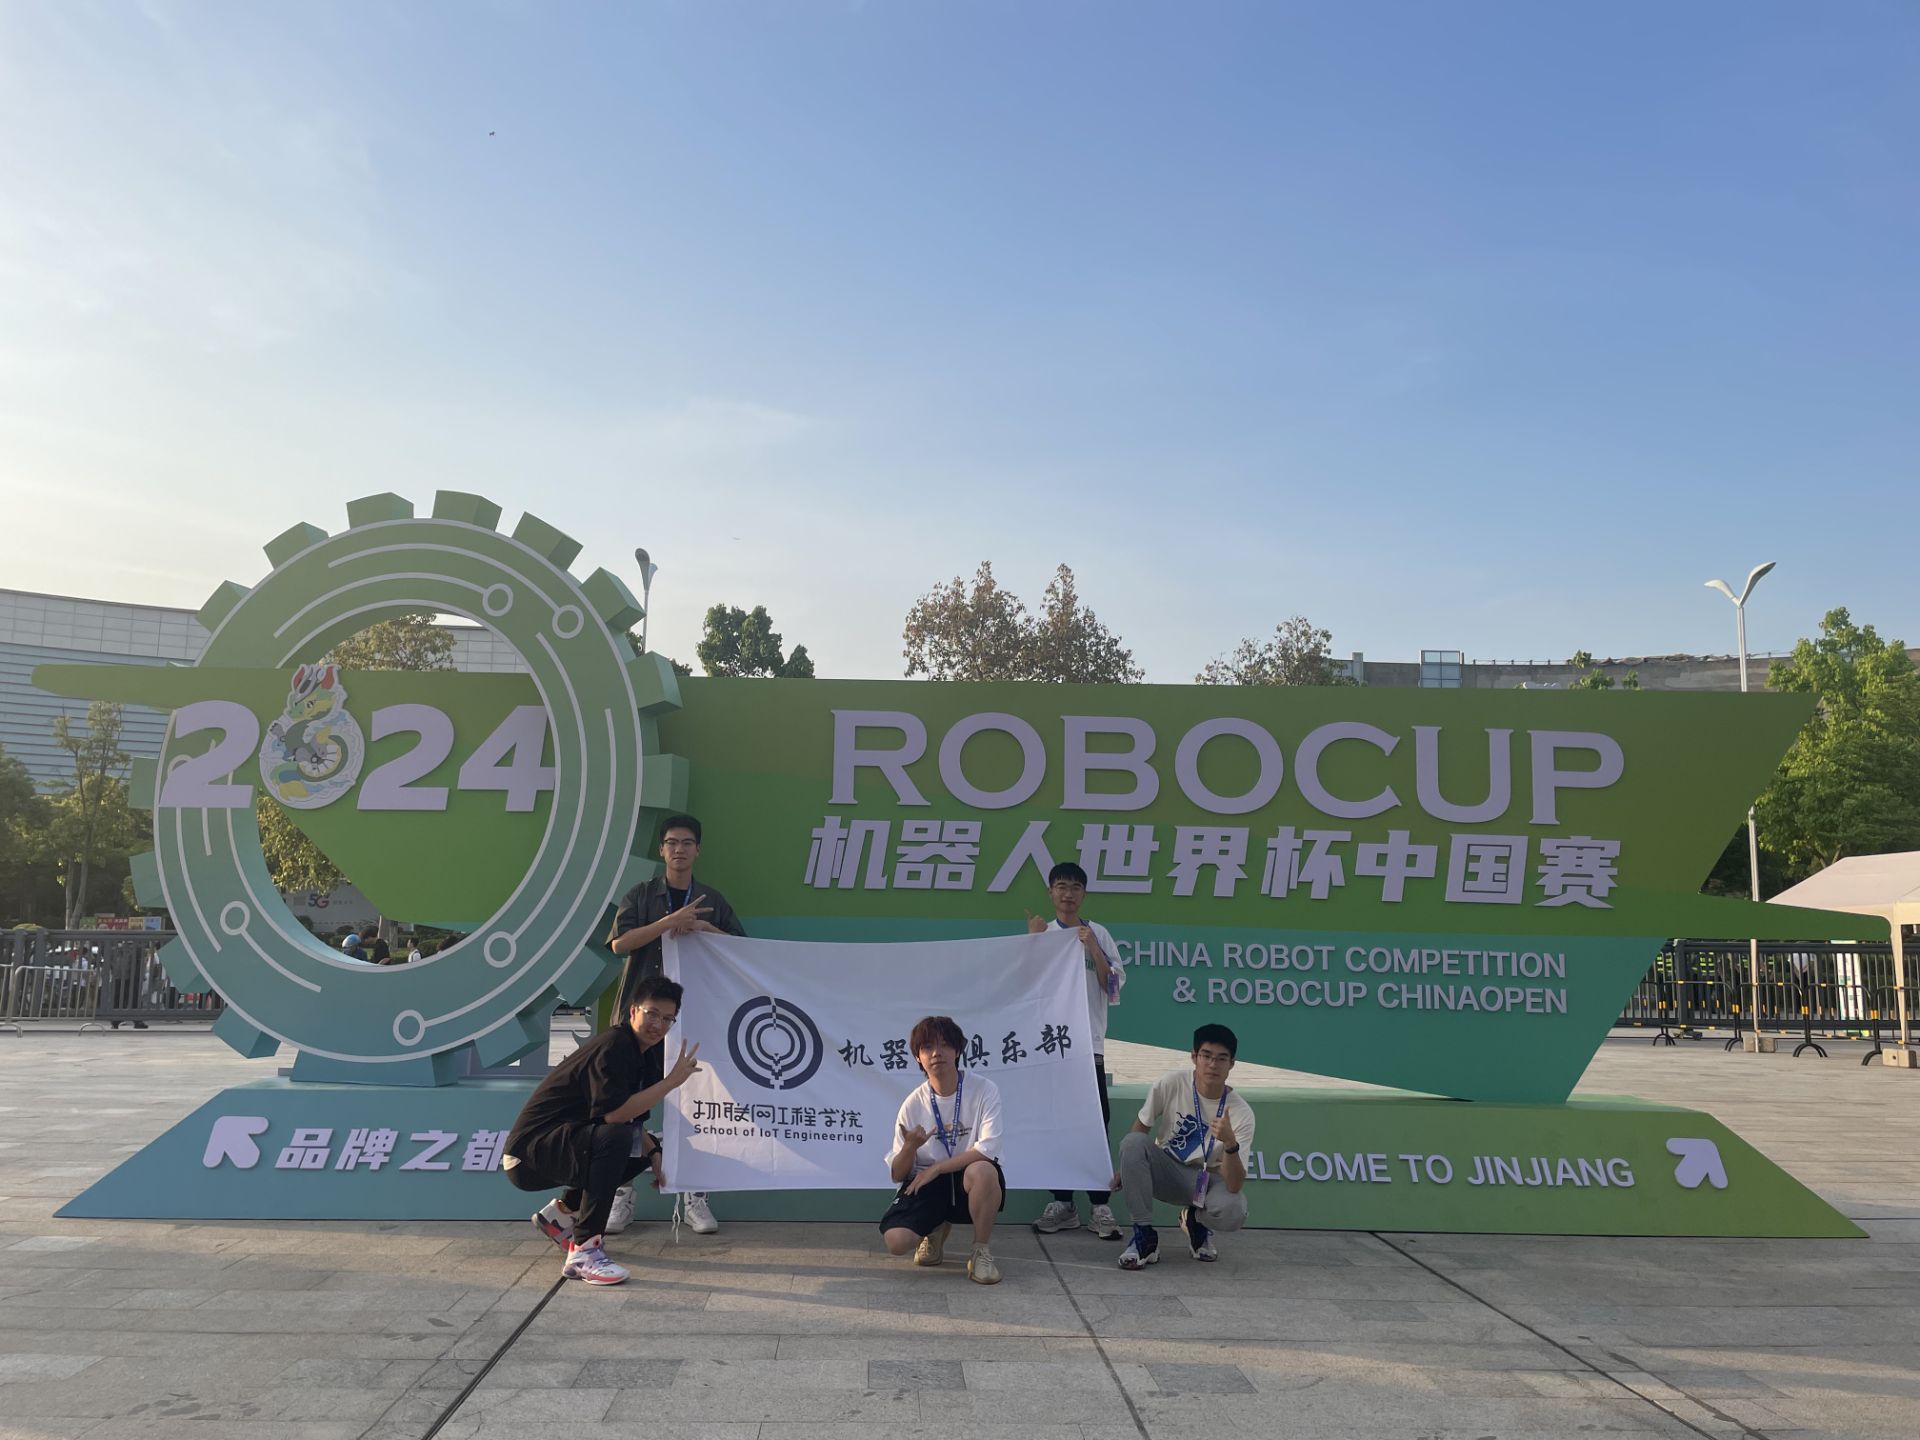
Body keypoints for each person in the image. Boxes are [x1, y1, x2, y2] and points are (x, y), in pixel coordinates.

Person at [502, 975, 701, 1286]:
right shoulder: (614, 1045)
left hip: (562, 1145)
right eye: (651, 1014)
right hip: (528, 1155)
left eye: (667, 1019)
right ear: (633, 1010)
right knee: (617, 1138)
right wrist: (671, 1082)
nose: (658, 1025)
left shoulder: (646, 1053)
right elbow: (616, 1115)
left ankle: (562, 1215)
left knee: (641, 1146)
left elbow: (634, 1121)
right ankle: (584, 1251)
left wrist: (653, 1154)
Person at [605, 813, 745, 1236]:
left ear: (697, 850)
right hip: (639, 1021)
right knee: (629, 1108)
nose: (679, 849)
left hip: (695, 1017)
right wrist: (667, 923)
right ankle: (621, 1193)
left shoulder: (711, 899)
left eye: (686, 842)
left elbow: (743, 950)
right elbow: (619, 944)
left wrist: (703, 928)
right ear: (661, 850)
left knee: (697, 1103)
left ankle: (695, 1194)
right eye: (671, 842)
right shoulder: (641, 894)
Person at [1025, 861, 1125, 1239]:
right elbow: (1025, 988)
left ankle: (1100, 1205)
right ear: (1051, 892)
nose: (1068, 894)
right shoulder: (1043, 933)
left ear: (1084, 894)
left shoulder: (1098, 933)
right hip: (1053, 1047)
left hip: (1089, 1045)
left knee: (1095, 1123)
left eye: (1075, 887)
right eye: (1061, 886)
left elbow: (1112, 989)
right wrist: (1033, 942)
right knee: (1057, 1123)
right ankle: (1063, 1203)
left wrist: (1094, 949)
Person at [1113, 1022, 1257, 1270]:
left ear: (1232, 1064)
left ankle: (1195, 1221)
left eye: (1221, 1058)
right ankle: (1144, 1236)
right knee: (1132, 1142)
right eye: (1206, 1056)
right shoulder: (1171, 1083)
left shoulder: (1241, 1112)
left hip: (1207, 1181)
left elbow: (1234, 1185)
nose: (1212, 1064)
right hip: (1166, 1170)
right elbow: (1142, 1124)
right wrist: (1126, 1167)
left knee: (1234, 1210)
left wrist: (1230, 1142)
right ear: (1194, 1057)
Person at [879, 1015, 1005, 1285]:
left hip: (967, 1176)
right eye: (927, 1047)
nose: (937, 1053)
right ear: (918, 1057)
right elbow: (898, 1174)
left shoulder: (984, 1090)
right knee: (896, 1242)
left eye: (945, 1045)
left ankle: (980, 1251)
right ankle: (933, 1229)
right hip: (928, 1180)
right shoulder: (913, 1104)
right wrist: (910, 1147)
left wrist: (937, 1168)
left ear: (957, 1051)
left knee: (984, 1171)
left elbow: (988, 1149)